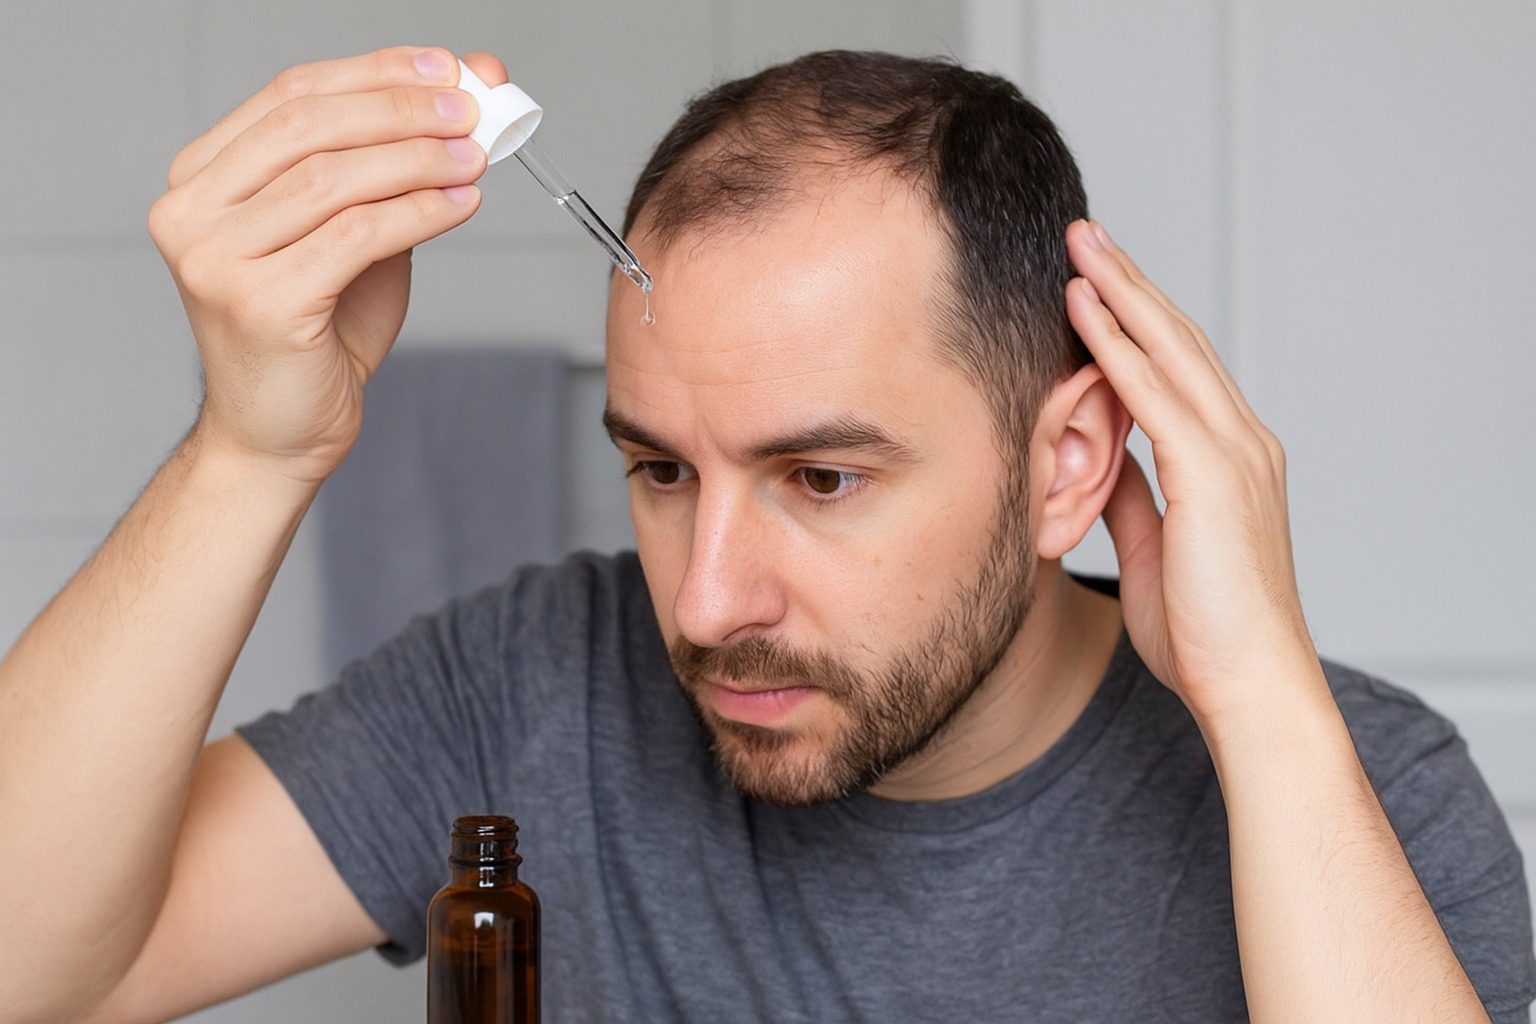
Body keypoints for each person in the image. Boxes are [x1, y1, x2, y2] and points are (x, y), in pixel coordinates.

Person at [0, 43, 1530, 1024]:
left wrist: (1260, 704)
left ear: (1069, 461)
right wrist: (252, 452)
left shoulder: (1364, 798)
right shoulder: (534, 684)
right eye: (661, 471)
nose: (710, 602)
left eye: (821, 480)